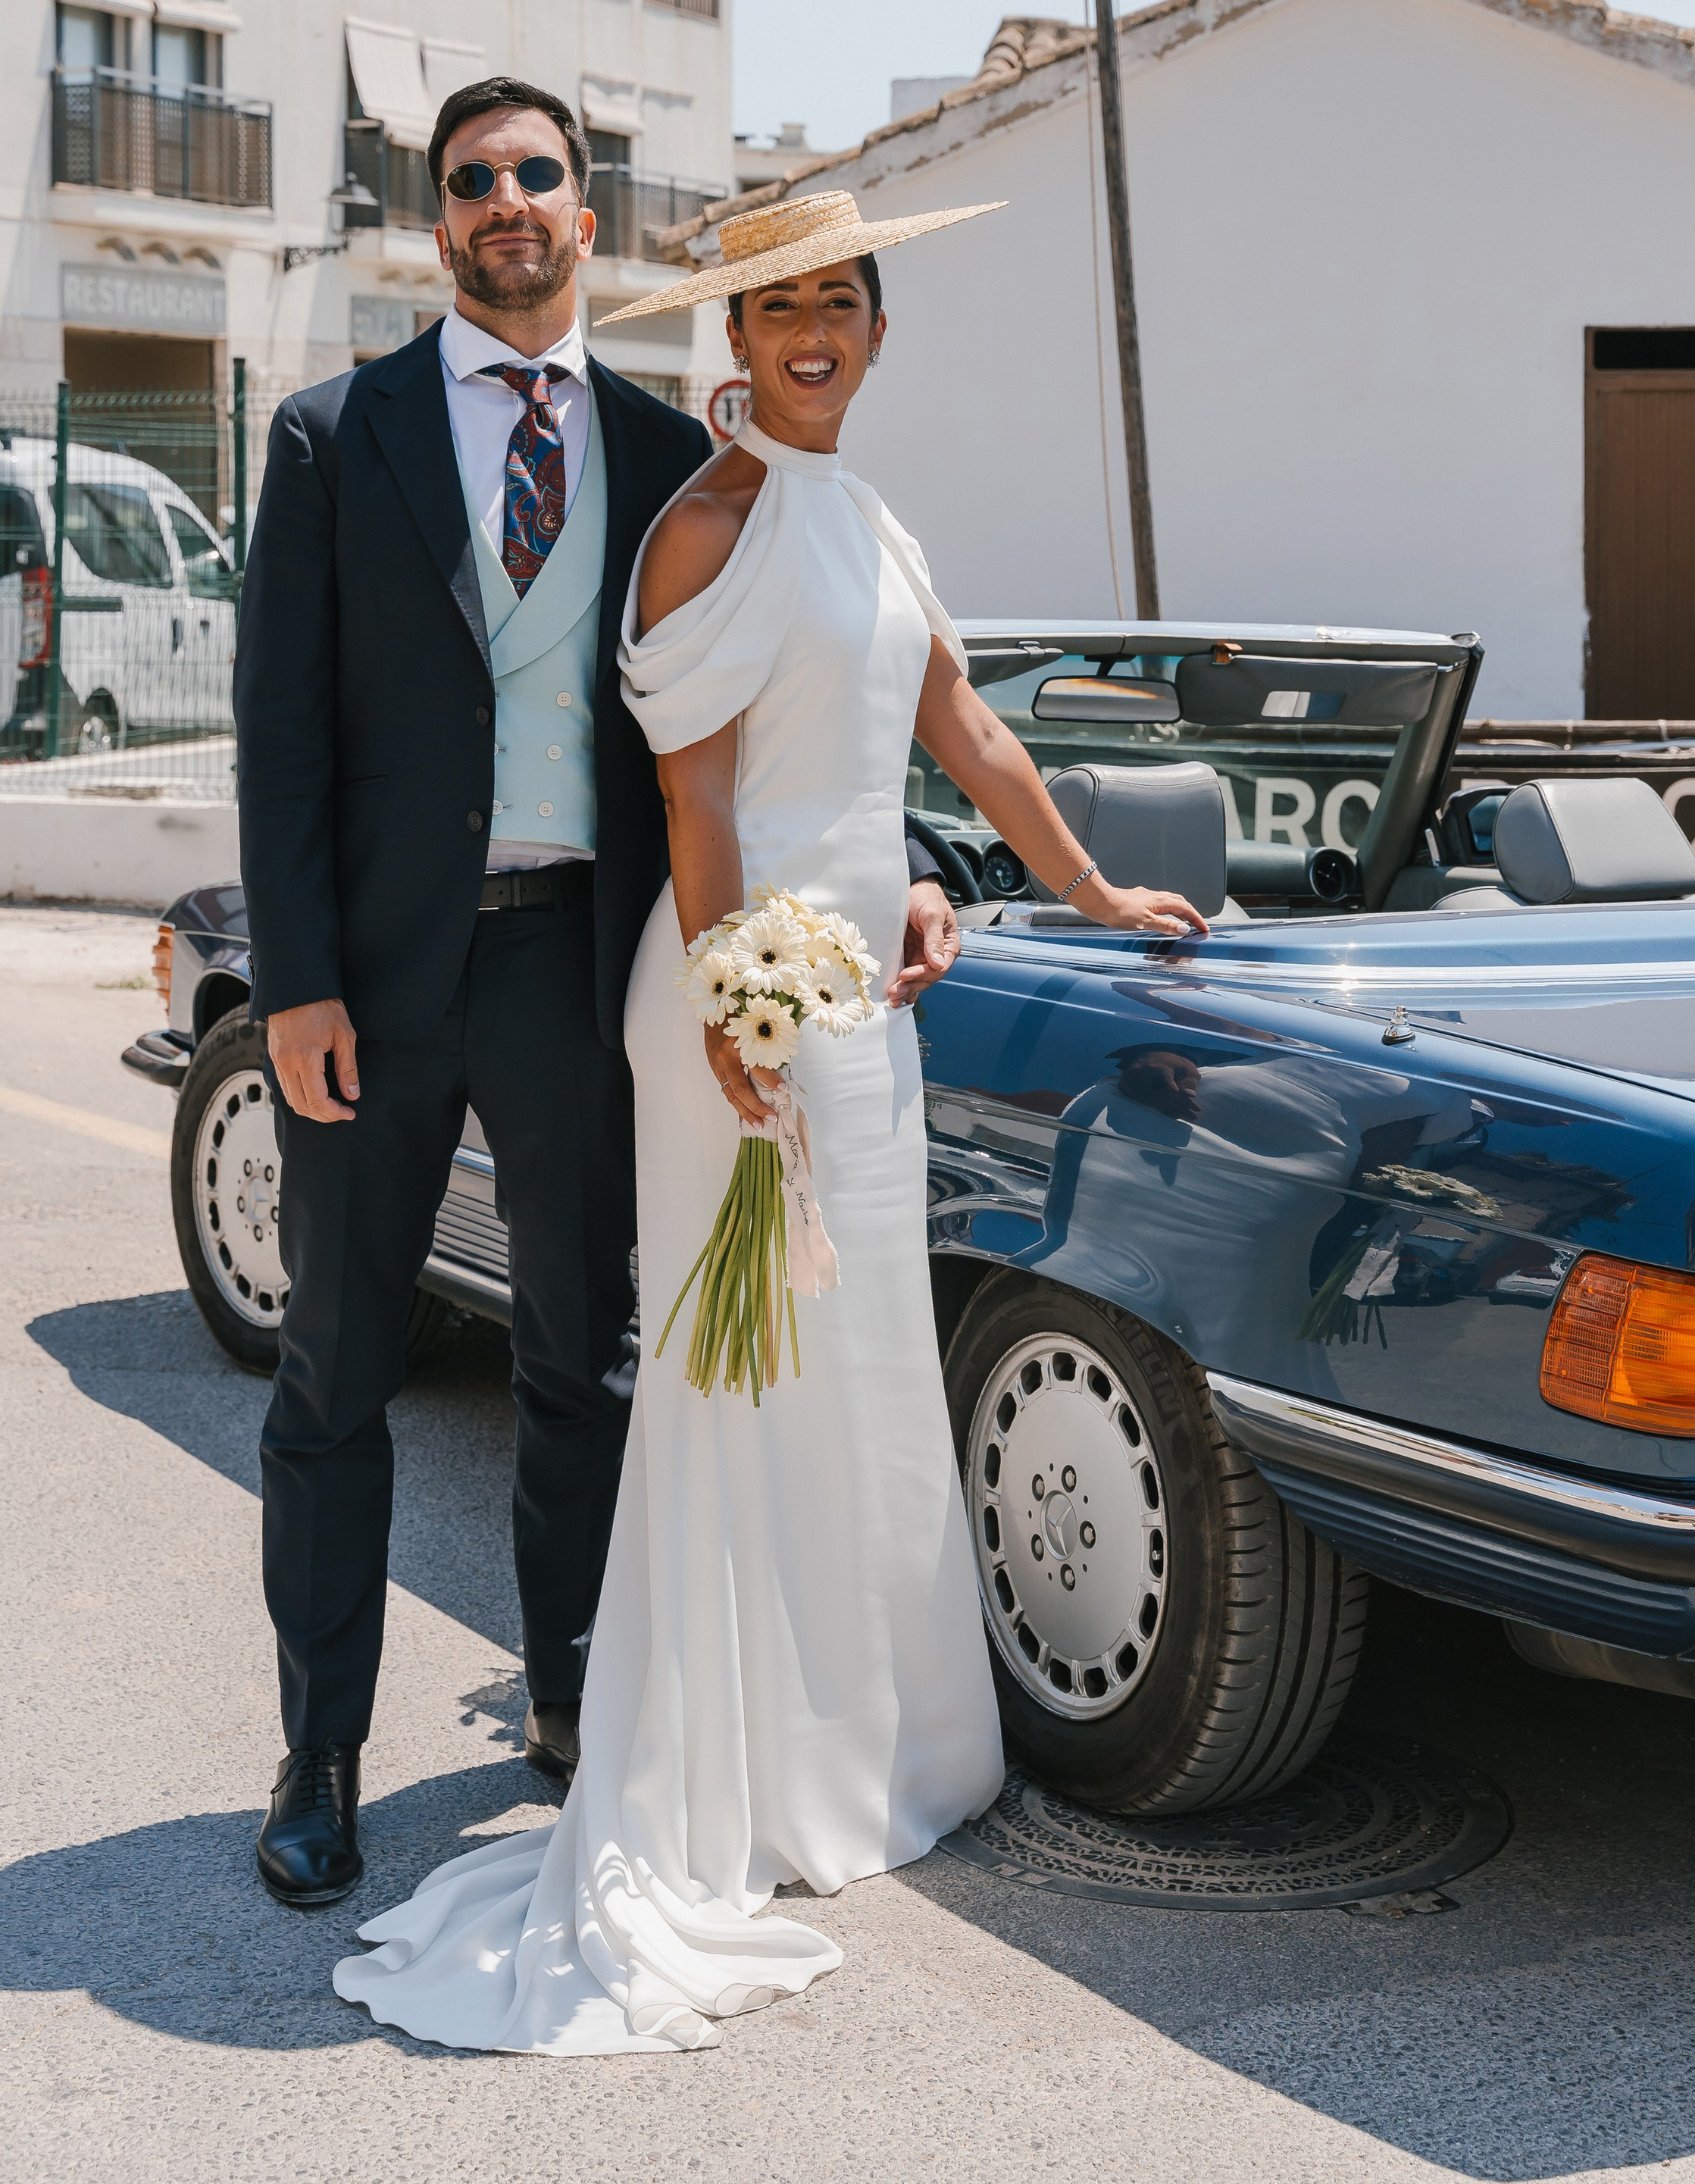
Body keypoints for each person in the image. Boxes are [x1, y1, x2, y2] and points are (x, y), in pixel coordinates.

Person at [331, 186, 1211, 2051]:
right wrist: (736, 1003)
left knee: (857, 1365)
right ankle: (736, 1763)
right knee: (744, 1376)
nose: (812, 334)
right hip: (742, 1003)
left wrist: (1087, 888)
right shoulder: (703, 528)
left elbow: (964, 726)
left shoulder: (867, 517)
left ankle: (867, 1750)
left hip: (860, 1009)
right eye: (778, 307)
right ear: (733, 340)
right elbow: (698, 804)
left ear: (879, 331)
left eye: (840, 304)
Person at [235, 85, 975, 1912]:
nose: (507, 200)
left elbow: (806, 689)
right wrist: (297, 983)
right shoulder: (333, 434)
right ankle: (320, 1755)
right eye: (472, 181)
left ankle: (573, 1703)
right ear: (441, 226)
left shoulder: (663, 454)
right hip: (376, 986)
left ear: (586, 215)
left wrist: (907, 871)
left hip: (583, 964)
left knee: (578, 1363)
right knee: (336, 1372)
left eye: (537, 176)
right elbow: (282, 734)